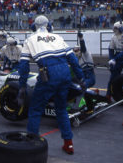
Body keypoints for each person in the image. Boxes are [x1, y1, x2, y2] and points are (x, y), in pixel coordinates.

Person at [18, 15, 85, 155]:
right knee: (61, 110)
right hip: (65, 74)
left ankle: (32, 145)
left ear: (34, 26)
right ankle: (69, 144)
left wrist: (22, 86)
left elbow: (23, 66)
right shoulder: (57, 37)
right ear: (48, 25)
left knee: (35, 109)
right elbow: (72, 59)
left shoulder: (29, 39)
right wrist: (81, 78)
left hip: (48, 75)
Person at [106, 21, 123, 102]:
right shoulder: (114, 37)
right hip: (118, 57)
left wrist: (115, 59)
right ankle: (108, 95)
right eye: (114, 28)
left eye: (116, 28)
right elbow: (111, 49)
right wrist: (111, 59)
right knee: (112, 77)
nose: (114, 30)